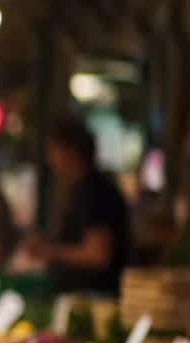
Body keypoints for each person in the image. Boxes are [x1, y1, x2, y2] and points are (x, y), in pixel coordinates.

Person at [26, 118, 130, 294]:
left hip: (95, 299)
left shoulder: (96, 190)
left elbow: (98, 255)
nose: (50, 160)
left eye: (53, 150)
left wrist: (49, 251)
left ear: (71, 151)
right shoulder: (80, 190)